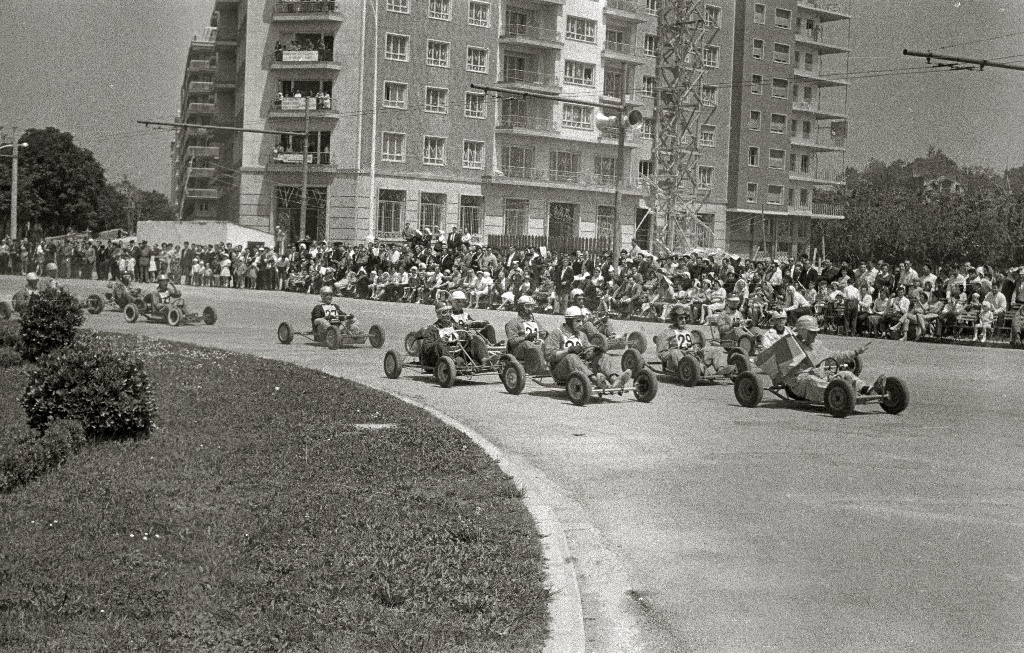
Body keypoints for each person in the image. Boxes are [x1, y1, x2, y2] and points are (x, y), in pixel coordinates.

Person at [782, 315, 884, 402]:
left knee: (845, 373)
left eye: (816, 331)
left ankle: (869, 390)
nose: (816, 334)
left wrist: (855, 352)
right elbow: (784, 372)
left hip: (820, 378)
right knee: (811, 380)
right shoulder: (791, 346)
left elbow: (833, 356)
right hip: (798, 386)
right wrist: (807, 371)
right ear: (802, 331)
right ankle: (849, 394)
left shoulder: (817, 345)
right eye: (812, 332)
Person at [543, 306, 630, 390]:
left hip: (580, 369)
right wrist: (568, 350)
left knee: (603, 356)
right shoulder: (557, 333)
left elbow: (588, 352)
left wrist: (596, 351)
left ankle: (614, 380)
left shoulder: (581, 335)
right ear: (569, 321)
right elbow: (549, 355)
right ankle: (596, 380)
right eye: (578, 321)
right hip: (560, 371)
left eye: (581, 321)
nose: (581, 324)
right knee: (571, 357)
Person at [420, 302, 491, 369]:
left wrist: (467, 336)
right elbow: (427, 348)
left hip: (456, 353)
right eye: (444, 312)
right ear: (438, 315)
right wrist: (441, 341)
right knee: (440, 344)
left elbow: (463, 337)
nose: (448, 315)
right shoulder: (432, 329)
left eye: (450, 312)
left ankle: (484, 360)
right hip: (438, 358)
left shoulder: (455, 326)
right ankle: (453, 363)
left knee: (475, 338)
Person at [505, 295, 548, 375]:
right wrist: (526, 337)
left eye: (532, 306)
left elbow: (543, 333)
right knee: (527, 343)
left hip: (536, 346)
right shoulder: (513, 323)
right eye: (527, 306)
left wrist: (545, 334)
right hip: (518, 351)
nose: (530, 309)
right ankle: (539, 366)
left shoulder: (535, 322)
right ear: (521, 307)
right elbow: (512, 341)